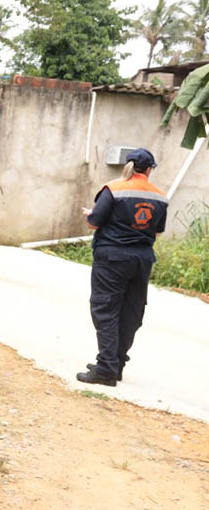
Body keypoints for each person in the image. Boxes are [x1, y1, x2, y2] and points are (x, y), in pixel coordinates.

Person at [76, 148, 167, 387]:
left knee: (106, 308)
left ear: (128, 165)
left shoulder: (113, 189)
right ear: (149, 169)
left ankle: (105, 368)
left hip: (112, 258)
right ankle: (116, 364)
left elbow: (94, 223)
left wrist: (91, 214)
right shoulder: (160, 196)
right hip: (142, 259)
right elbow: (157, 231)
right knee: (131, 311)